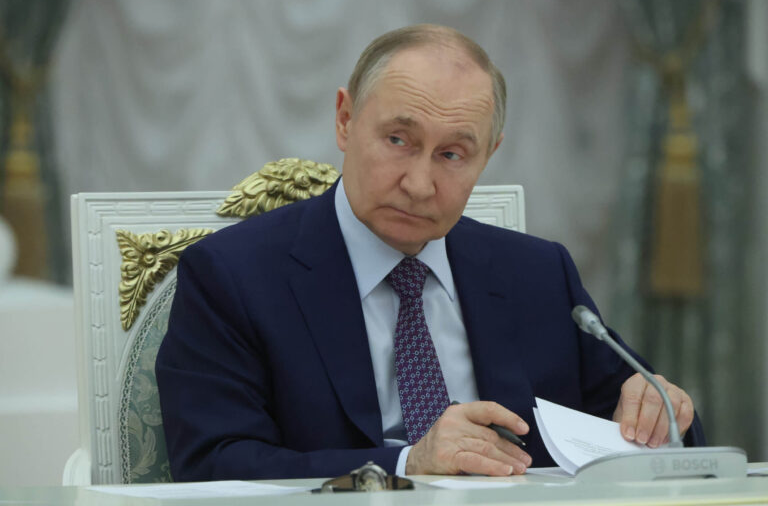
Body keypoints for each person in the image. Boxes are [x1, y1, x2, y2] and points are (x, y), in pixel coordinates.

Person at [155, 24, 704, 481]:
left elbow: (659, 433)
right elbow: (212, 464)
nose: (419, 184)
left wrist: (661, 410)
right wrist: (406, 464)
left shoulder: (538, 274)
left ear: (489, 155)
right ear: (345, 120)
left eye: (452, 154)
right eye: (398, 139)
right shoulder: (233, 275)